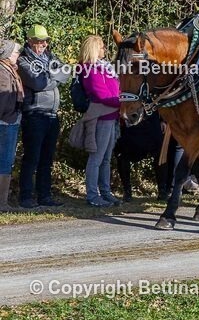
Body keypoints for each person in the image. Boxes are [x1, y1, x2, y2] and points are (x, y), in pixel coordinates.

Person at [16, 24, 71, 208]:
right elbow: (38, 83)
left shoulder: (50, 57)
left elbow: (66, 72)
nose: (43, 45)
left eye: (45, 41)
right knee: (32, 157)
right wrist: (54, 78)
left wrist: (51, 77)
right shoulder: (23, 61)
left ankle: (44, 195)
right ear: (30, 41)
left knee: (47, 158)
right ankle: (25, 196)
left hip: (52, 114)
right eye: (39, 41)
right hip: (35, 114)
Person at [79, 35, 122, 207]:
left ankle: (105, 191)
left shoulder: (105, 68)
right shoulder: (89, 69)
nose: (105, 49)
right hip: (101, 117)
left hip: (112, 116)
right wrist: (122, 102)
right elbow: (101, 94)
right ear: (94, 49)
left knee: (106, 158)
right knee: (96, 158)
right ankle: (92, 194)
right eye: (102, 47)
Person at [0, 40, 23, 211]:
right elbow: (3, 99)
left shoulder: (9, 70)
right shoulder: (3, 72)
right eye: (16, 52)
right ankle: (2, 203)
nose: (18, 55)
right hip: (6, 122)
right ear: (7, 54)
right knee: (5, 161)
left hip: (9, 121)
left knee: (6, 161)